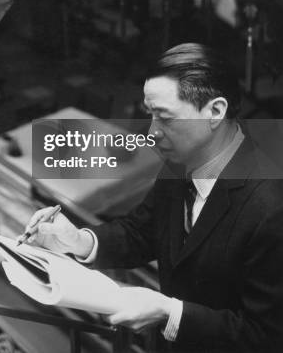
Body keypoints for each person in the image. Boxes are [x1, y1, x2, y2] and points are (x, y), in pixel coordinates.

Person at [21, 43, 283, 352]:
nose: (151, 131)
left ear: (215, 111)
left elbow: (267, 337)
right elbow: (142, 231)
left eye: (165, 117)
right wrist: (79, 240)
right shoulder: (181, 161)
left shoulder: (270, 208)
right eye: (150, 115)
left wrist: (169, 312)